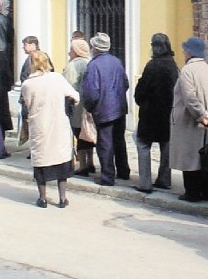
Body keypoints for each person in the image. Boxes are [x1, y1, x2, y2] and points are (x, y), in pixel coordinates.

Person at [21, 50, 79, 208]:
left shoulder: (27, 84)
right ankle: (62, 198)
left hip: (40, 124)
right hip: (59, 123)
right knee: (61, 159)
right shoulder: (57, 78)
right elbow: (75, 96)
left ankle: (43, 198)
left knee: (41, 160)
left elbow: (28, 104)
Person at [169, 36, 208, 203]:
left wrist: (201, 115)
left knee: (190, 158)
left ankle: (192, 193)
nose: (183, 52)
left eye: (185, 49)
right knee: (203, 158)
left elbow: (189, 97)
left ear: (189, 52)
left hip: (190, 121)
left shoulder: (187, 71)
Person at [81, 32, 130, 187]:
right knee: (119, 141)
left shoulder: (94, 65)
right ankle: (123, 171)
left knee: (105, 143)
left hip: (104, 109)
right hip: (119, 107)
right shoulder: (117, 62)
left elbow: (91, 92)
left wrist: (89, 107)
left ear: (95, 47)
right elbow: (126, 83)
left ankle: (108, 177)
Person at [133, 33, 179, 194]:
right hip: (167, 114)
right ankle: (164, 179)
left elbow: (140, 92)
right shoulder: (173, 65)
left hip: (149, 115)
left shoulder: (151, 66)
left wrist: (142, 100)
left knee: (143, 145)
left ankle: (145, 183)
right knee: (166, 145)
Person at [62, 37, 95, 177]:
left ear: (76, 51)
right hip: (88, 105)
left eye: (71, 50)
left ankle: (82, 165)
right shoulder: (90, 62)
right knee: (87, 134)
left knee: (79, 133)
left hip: (76, 105)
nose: (69, 53)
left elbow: (67, 86)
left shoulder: (73, 65)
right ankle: (91, 162)